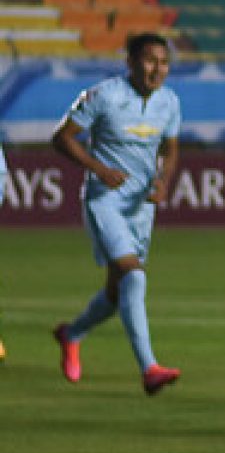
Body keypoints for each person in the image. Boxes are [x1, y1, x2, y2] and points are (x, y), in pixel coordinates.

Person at [51, 32, 182, 396]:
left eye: (164, 62)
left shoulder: (169, 101)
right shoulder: (104, 95)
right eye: (150, 60)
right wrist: (98, 168)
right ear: (130, 62)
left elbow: (171, 149)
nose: (157, 69)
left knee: (116, 291)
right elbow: (61, 138)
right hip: (104, 201)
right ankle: (150, 368)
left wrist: (163, 182)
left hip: (141, 208)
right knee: (134, 278)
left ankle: (71, 333)